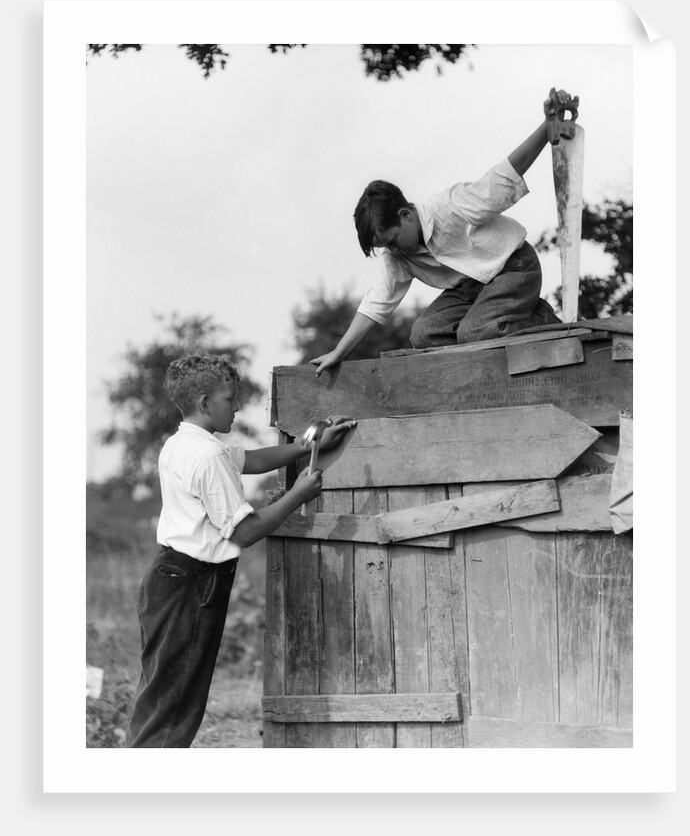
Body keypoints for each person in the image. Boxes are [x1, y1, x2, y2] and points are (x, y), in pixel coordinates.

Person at [125, 354, 356, 747]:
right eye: (230, 399)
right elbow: (246, 532)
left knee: (163, 696)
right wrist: (297, 494)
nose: (236, 406)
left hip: (170, 578)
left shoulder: (184, 443)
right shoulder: (207, 456)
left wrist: (309, 445)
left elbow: (252, 460)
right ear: (204, 403)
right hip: (191, 587)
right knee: (174, 709)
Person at [310, 88, 574, 377]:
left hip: (513, 269)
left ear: (406, 215)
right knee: (425, 335)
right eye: (387, 247)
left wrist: (546, 127)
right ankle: (497, 331)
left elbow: (503, 177)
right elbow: (377, 302)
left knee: (477, 332)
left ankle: (541, 318)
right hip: (470, 289)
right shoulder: (396, 256)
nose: (396, 251)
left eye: (394, 241)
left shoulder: (450, 207)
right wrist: (339, 352)